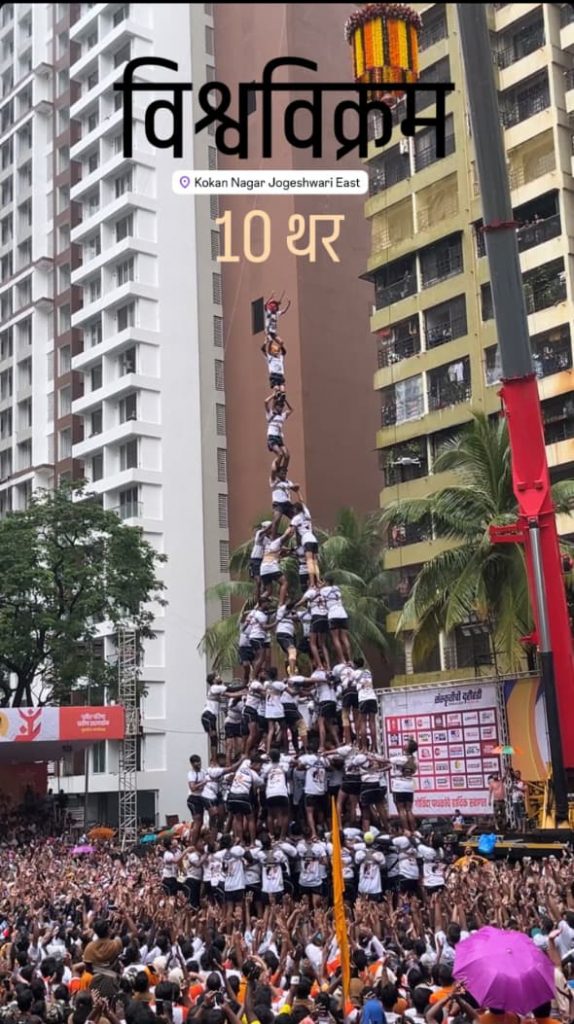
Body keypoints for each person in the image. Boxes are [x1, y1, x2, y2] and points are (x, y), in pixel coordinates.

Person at [390, 738, 418, 832]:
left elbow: (386, 760)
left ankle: (406, 830)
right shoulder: (415, 760)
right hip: (410, 785)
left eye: (406, 744)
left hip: (399, 785)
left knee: (401, 810)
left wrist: (372, 758)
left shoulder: (401, 758)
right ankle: (413, 831)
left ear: (407, 747)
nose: (403, 745)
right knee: (409, 810)